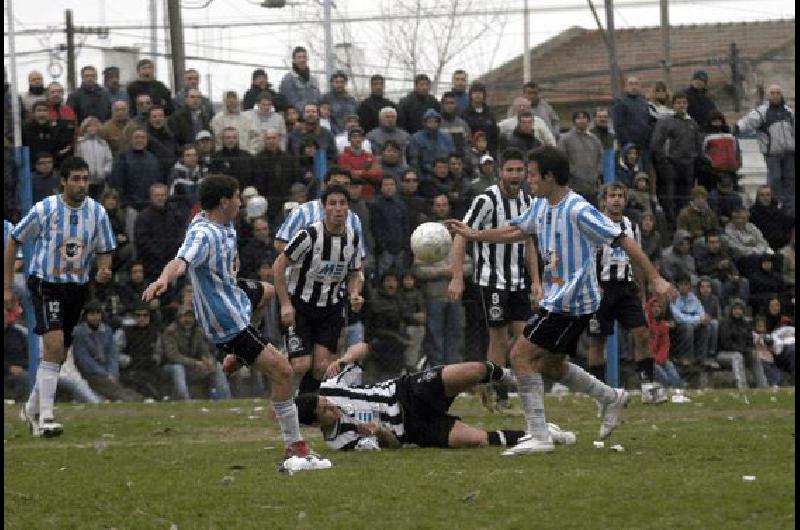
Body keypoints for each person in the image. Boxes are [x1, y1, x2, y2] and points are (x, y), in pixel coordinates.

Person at [446, 146, 676, 454]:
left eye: (531, 174)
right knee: (552, 366)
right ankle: (610, 397)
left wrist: (655, 278)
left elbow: (623, 239)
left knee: (520, 356)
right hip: (559, 299)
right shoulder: (542, 206)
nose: (527, 180)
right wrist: (476, 235)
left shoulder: (577, 209)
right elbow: (517, 230)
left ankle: (539, 435)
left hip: (571, 301)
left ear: (549, 177)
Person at [142, 174, 328, 467]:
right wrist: (163, 279)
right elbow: (180, 262)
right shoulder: (203, 234)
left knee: (267, 292)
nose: (241, 202)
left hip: (235, 296)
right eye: (238, 197)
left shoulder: (222, 222)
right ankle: (295, 447)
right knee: (283, 371)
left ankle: (236, 356)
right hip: (226, 319)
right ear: (225, 201)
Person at [5, 156, 116, 436]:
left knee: (59, 352)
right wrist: (6, 286)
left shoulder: (97, 212)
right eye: (75, 179)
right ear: (63, 182)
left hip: (77, 287)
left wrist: (104, 269)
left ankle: (30, 410)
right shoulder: (45, 209)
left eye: (85, 179)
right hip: (46, 283)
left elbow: (105, 249)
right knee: (53, 347)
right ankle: (46, 417)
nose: (81, 185)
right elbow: (14, 240)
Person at [295, 359, 577, 450]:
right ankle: (542, 433)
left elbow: (362, 353)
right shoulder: (339, 442)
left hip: (407, 391)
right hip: (415, 430)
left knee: (476, 370)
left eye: (326, 402)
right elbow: (393, 447)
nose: (330, 406)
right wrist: (380, 434)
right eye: (324, 411)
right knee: (479, 441)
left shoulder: (331, 387)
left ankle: (518, 381)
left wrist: (344, 357)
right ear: (316, 425)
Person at [449, 148, 533, 411]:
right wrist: (457, 277)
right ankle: (502, 396)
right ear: (500, 172)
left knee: (525, 338)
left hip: (518, 281)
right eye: (510, 170)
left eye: (519, 170)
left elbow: (529, 242)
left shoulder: (527, 201)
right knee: (498, 337)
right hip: (491, 280)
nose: (515, 175)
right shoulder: (486, 200)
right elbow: (463, 234)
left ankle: (492, 381)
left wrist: (538, 281)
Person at [273, 185, 364, 394]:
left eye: (342, 204)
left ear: (348, 208)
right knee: (301, 365)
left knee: (322, 366)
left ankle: (304, 407)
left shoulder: (353, 238)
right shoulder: (309, 235)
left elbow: (354, 272)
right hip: (300, 305)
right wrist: (286, 304)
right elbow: (279, 265)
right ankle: (274, 366)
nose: (338, 209)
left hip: (331, 307)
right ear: (324, 208)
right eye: (332, 204)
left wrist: (354, 294)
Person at [587, 183, 666, 404]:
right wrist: (592, 284)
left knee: (642, 332)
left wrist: (642, 291)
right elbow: (585, 257)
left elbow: (636, 258)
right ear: (604, 200)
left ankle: (648, 386)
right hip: (600, 288)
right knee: (598, 341)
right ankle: (600, 393)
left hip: (626, 287)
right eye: (612, 196)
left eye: (621, 196)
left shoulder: (631, 225)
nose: (617, 200)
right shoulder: (593, 224)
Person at [416, 195, 469, 368]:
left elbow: (471, 265)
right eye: (437, 205)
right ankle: (437, 372)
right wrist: (442, 271)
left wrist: (456, 271)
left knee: (455, 336)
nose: (441, 208)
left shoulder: (458, 238)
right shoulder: (424, 239)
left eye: (444, 205)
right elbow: (418, 270)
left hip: (455, 297)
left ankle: (454, 371)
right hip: (434, 296)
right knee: (435, 337)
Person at [736, 84, 794, 216]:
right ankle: (776, 209)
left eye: (778, 93)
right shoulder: (762, 112)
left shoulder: (788, 111)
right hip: (772, 154)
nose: (775, 95)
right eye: (772, 93)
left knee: (790, 182)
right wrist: (738, 127)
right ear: (768, 96)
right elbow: (747, 122)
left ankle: (790, 212)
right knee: (774, 181)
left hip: (790, 154)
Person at [73, 300, 144, 402]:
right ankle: (135, 399)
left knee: (117, 383)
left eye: (98, 313)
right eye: (92, 314)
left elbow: (113, 354)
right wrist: (105, 374)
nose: (95, 317)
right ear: (86, 316)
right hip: (89, 373)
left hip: (108, 370)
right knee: (110, 386)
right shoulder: (79, 333)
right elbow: (84, 360)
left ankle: (135, 398)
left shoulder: (107, 330)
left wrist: (112, 372)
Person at [650, 92, 703, 228]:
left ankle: (683, 223)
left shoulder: (692, 123)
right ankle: (670, 223)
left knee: (685, 196)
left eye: (684, 103)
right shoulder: (665, 122)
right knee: (669, 195)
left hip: (688, 165)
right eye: (678, 103)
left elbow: (698, 145)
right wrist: (663, 161)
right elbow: (656, 144)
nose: (681, 105)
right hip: (670, 165)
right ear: (673, 105)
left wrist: (696, 159)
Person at [162, 304, 230, 400]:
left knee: (217, 366)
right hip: (172, 367)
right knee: (178, 369)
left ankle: (225, 400)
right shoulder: (170, 332)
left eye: (191, 316)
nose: (188, 320)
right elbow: (173, 356)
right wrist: (195, 362)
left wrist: (208, 360)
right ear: (178, 318)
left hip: (193, 367)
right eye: (185, 316)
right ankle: (184, 400)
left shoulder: (197, 332)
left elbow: (204, 350)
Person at [557, 110, 603, 206]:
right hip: (573, 186)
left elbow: (599, 159)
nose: (582, 121)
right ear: (574, 121)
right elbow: (561, 160)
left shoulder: (595, 140)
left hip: (592, 187)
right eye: (579, 118)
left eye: (584, 118)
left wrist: (597, 174)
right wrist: (573, 172)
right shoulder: (565, 139)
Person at [612, 76, 654, 173]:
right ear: (625, 87)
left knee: (645, 174)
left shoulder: (644, 103)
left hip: (644, 147)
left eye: (636, 84)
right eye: (631, 84)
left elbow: (649, 122)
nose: (634, 86)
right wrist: (629, 144)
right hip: (629, 148)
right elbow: (619, 125)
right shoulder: (621, 103)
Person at [75, 116, 113, 199]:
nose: (92, 128)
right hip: (85, 180)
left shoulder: (103, 143)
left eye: (94, 126)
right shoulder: (80, 143)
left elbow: (108, 160)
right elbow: (77, 159)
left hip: (100, 180)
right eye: (89, 126)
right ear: (85, 128)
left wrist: (105, 171)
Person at [279, 46, 321, 113]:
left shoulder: (313, 80)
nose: (302, 60)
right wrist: (307, 112)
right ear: (294, 60)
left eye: (304, 57)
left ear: (307, 59)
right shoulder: (288, 79)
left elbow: (318, 99)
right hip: (297, 119)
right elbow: (292, 102)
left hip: (314, 118)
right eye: (299, 57)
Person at [320, 71, 358, 135]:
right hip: (332, 134)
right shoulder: (326, 99)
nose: (339, 85)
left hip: (349, 135)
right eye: (337, 82)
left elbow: (355, 119)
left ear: (345, 83)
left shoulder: (352, 101)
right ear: (332, 83)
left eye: (342, 82)